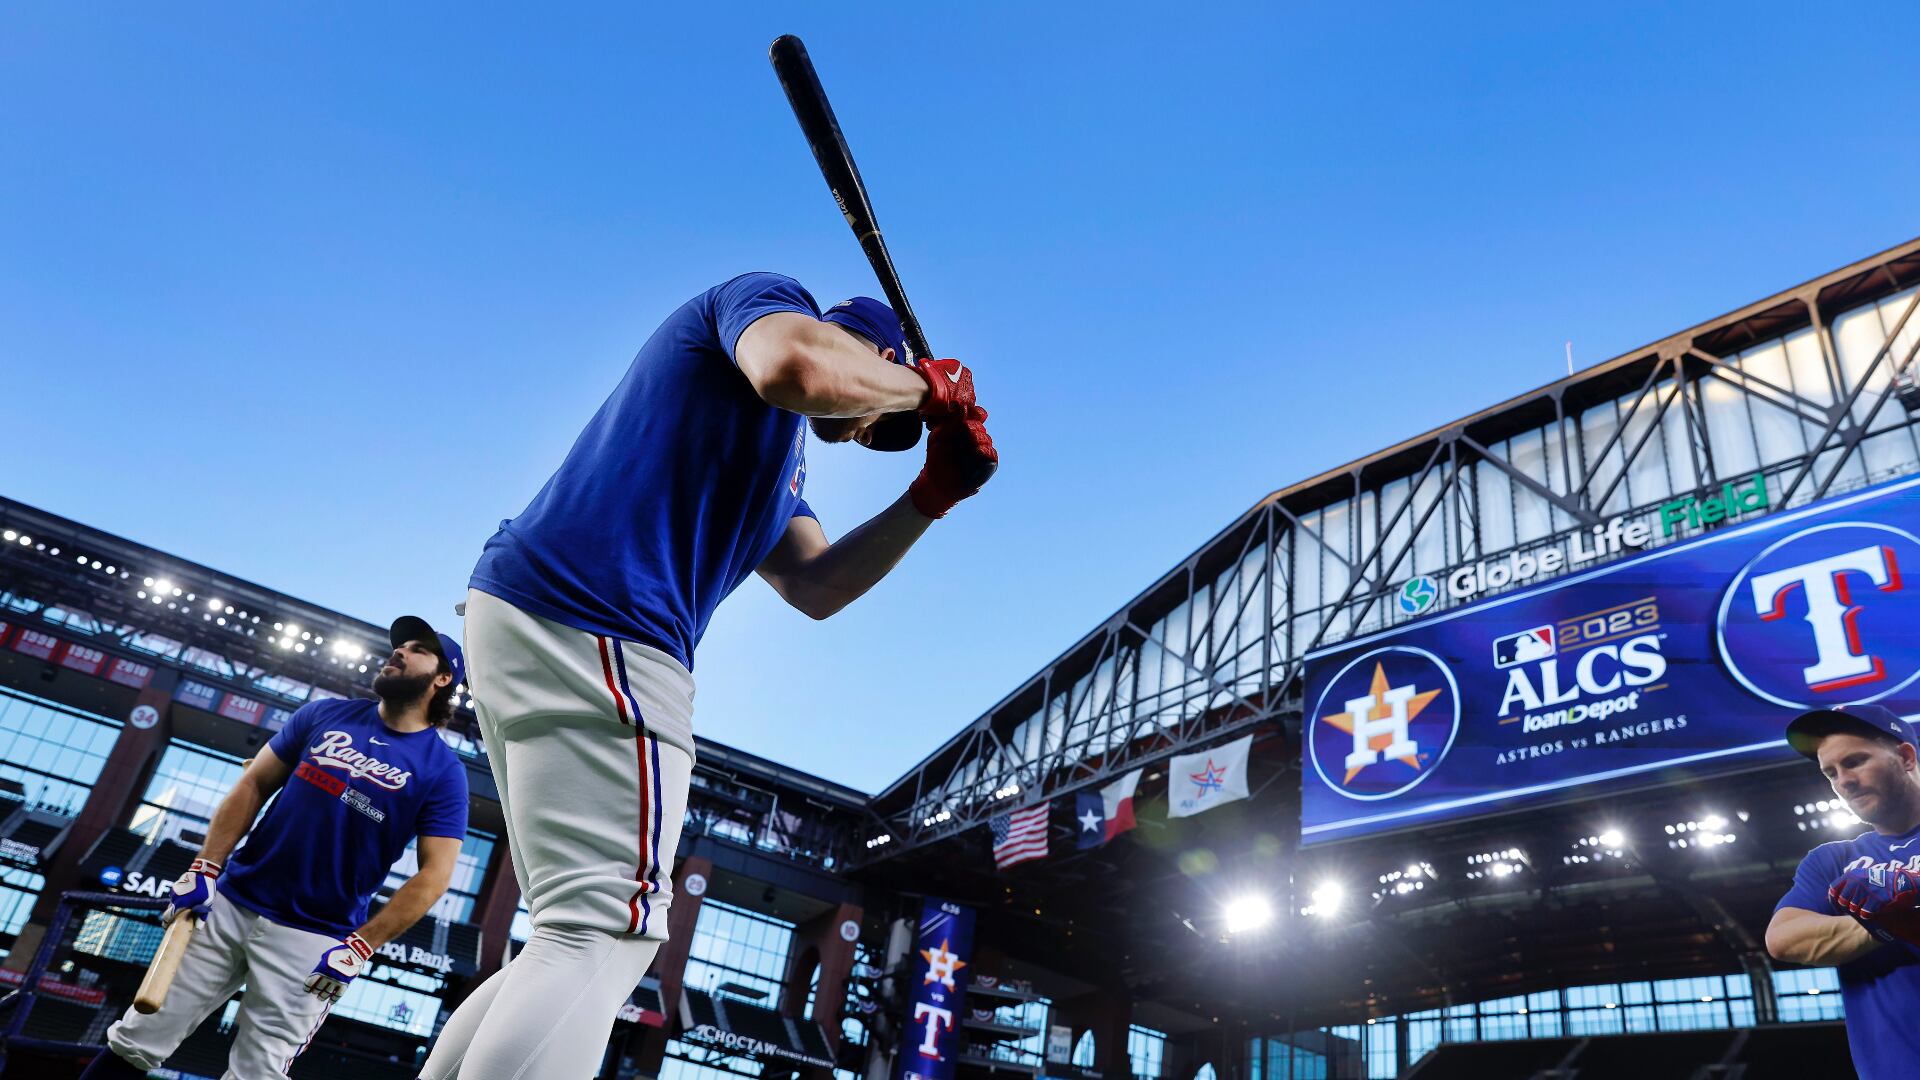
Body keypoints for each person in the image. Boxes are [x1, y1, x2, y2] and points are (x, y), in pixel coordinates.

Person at [421, 273, 997, 1078]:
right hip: (605, 621)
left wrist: (929, 499)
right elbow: (793, 366)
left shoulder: (783, 463)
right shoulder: (767, 305)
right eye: (880, 409)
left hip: (543, 611)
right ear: (867, 352)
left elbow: (817, 585)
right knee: (606, 934)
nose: (873, 429)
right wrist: (923, 391)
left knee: (570, 931)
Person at [80, 618, 472, 1080]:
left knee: (258, 1074)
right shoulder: (323, 715)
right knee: (136, 1038)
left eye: (417, 650)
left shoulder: (445, 772)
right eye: (399, 645)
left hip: (315, 938)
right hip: (231, 903)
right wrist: (205, 866)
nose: (399, 652)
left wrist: (363, 945)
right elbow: (254, 782)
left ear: (443, 678)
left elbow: (435, 875)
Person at [1766, 702, 1920, 1079]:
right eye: (1830, 773)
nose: (1843, 782)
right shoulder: (1833, 860)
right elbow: (1783, 939)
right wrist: (1883, 924)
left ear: (1905, 756)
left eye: (1854, 761)